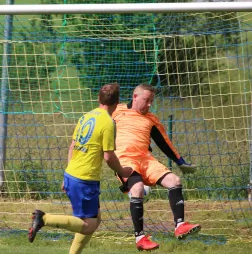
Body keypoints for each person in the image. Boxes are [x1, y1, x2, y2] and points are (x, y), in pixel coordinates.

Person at [28, 83, 133, 254]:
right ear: (117, 102)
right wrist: (122, 171)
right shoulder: (108, 122)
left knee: (95, 219)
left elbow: (72, 146)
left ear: (98, 99)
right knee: (88, 225)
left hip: (73, 174)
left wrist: (66, 176)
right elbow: (109, 156)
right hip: (85, 179)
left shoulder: (86, 116)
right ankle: (44, 218)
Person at [113, 83, 200, 251]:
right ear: (135, 97)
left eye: (152, 101)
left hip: (146, 159)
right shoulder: (117, 111)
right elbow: (98, 123)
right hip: (125, 160)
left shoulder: (151, 119)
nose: (149, 104)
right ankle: (140, 238)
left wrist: (181, 163)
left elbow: (164, 143)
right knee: (137, 189)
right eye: (147, 100)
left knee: (174, 180)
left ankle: (180, 226)